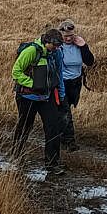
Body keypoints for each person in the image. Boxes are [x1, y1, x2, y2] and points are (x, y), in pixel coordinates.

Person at [11, 28, 67, 175]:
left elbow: (59, 74)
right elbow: (16, 71)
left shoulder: (57, 53)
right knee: (24, 126)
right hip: (27, 97)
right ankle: (16, 155)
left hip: (47, 97)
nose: (56, 49)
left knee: (53, 128)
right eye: (54, 46)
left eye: (58, 46)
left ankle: (52, 164)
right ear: (46, 41)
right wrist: (33, 84)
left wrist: (61, 95)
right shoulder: (31, 51)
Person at [58, 19, 95, 151]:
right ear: (60, 35)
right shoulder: (57, 47)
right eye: (65, 36)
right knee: (65, 112)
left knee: (65, 112)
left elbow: (90, 62)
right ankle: (69, 142)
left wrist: (84, 46)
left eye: (71, 35)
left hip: (75, 84)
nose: (68, 38)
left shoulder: (79, 45)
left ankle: (60, 136)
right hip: (61, 84)